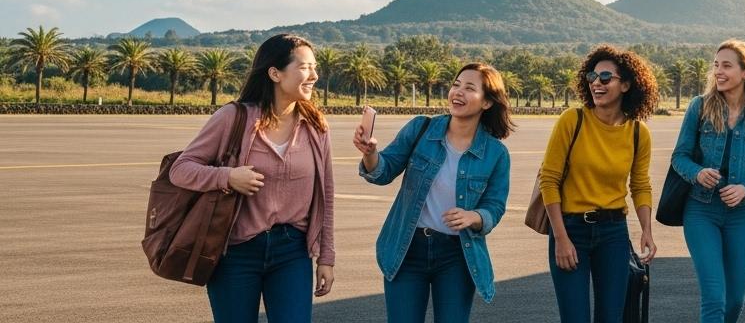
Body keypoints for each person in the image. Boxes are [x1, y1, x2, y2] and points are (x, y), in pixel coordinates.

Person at [170, 33, 335, 323]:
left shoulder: (316, 127)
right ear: (274, 73)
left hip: (292, 251)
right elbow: (180, 169)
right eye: (305, 67)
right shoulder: (233, 118)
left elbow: (326, 195)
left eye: (314, 67)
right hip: (235, 251)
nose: (314, 75)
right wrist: (227, 177)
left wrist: (326, 257)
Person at [354, 63, 514, 322]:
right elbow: (383, 172)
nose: (458, 92)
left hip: (457, 254)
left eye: (469, 88)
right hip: (408, 248)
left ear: (487, 102)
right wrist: (370, 154)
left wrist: (474, 217)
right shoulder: (421, 129)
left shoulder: (496, 153)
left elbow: (495, 206)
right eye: (456, 85)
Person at [539, 45, 660, 323]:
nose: (596, 83)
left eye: (606, 78)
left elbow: (640, 184)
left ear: (627, 85)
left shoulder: (638, 133)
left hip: (613, 233)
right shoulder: (573, 120)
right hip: (570, 229)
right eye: (592, 76)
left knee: (611, 318)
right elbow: (549, 179)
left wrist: (646, 230)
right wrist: (560, 238)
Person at [671, 39, 745, 323]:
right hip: (700, 211)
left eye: (726, 66)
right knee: (715, 298)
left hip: (740, 215)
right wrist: (697, 172)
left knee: (734, 301)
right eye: (716, 65)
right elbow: (679, 157)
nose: (718, 71)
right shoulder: (700, 107)